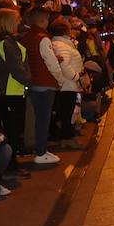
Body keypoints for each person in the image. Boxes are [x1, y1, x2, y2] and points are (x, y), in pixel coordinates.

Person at [21, 7, 65, 165]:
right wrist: (60, 80)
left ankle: (40, 149)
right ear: (43, 21)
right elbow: (51, 63)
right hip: (45, 83)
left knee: (38, 118)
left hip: (33, 82)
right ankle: (41, 152)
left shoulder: (26, 37)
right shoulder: (43, 39)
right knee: (43, 119)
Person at [0, 7, 30, 156]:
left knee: (9, 129)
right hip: (10, 92)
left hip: (4, 91)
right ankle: (11, 165)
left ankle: (10, 162)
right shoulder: (7, 43)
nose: (19, 22)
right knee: (13, 130)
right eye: (17, 20)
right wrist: (30, 81)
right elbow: (17, 69)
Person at [48, 17, 85, 148]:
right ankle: (67, 138)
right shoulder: (61, 45)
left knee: (66, 112)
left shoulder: (62, 43)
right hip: (67, 84)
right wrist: (75, 76)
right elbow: (63, 63)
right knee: (66, 113)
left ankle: (67, 137)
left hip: (68, 84)